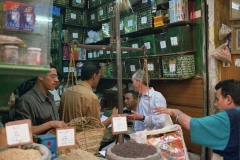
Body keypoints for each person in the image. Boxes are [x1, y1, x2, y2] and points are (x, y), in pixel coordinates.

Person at [154, 79, 240, 160]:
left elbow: (191, 124)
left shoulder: (231, 116)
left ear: (228, 99)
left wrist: (174, 112)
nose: (215, 104)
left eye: (217, 99)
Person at [59, 61, 118, 127]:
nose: (99, 79)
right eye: (99, 76)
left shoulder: (66, 92)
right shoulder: (91, 97)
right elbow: (96, 129)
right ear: (95, 76)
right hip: (83, 137)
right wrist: (112, 118)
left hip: (67, 135)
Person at [14, 63, 67, 135]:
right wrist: (50, 124)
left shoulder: (50, 97)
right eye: (53, 76)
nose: (57, 80)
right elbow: (23, 132)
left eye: (57, 76)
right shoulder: (26, 101)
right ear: (41, 76)